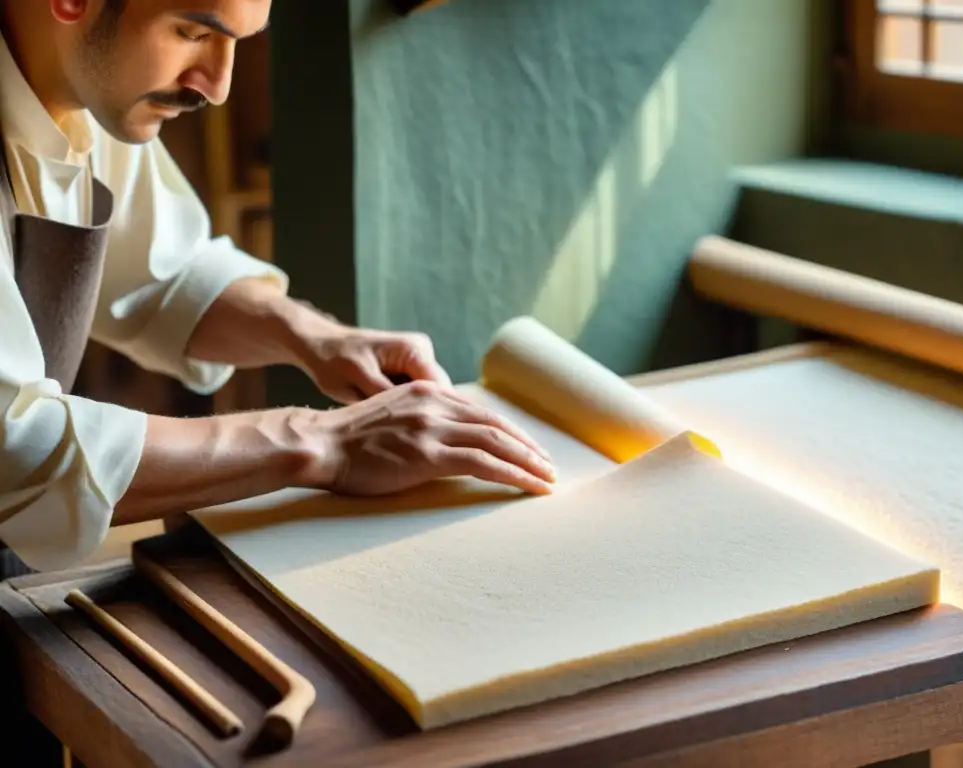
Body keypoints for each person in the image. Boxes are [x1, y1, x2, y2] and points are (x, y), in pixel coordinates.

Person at [0, 0, 556, 579]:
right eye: (192, 33)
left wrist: (318, 337)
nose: (217, 86)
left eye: (237, 42)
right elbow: (14, 452)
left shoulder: (80, 80)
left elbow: (165, 272)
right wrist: (325, 442)